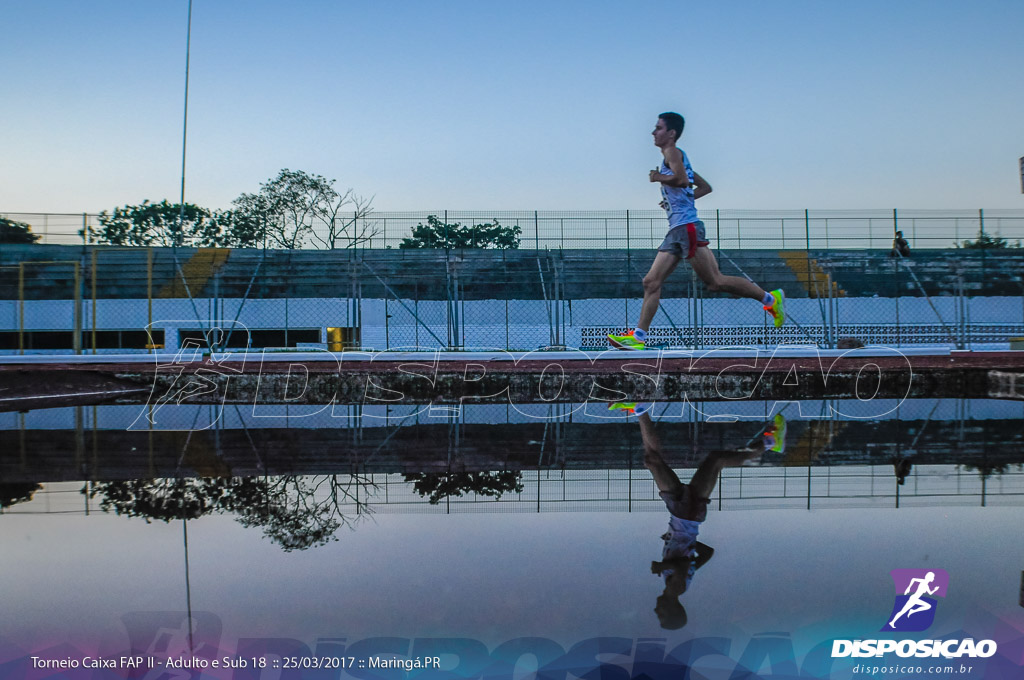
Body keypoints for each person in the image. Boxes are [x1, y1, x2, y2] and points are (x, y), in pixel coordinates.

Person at [609, 113, 785, 350]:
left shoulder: (672, 152)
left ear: (671, 133)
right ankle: (638, 338)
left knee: (715, 282)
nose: (653, 132)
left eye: (658, 128)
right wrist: (678, 201)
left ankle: (770, 299)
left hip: (686, 228)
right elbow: (704, 187)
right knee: (651, 281)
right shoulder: (677, 156)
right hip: (678, 229)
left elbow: (681, 180)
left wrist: (657, 178)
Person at [614, 402, 786, 628]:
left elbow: (706, 553)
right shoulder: (676, 588)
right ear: (672, 609)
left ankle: (770, 442)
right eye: (661, 614)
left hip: (686, 517)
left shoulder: (676, 585)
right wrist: (666, 562)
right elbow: (683, 566)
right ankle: (770, 443)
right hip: (684, 514)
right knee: (698, 461)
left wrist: (681, 540)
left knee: (658, 460)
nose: (656, 610)